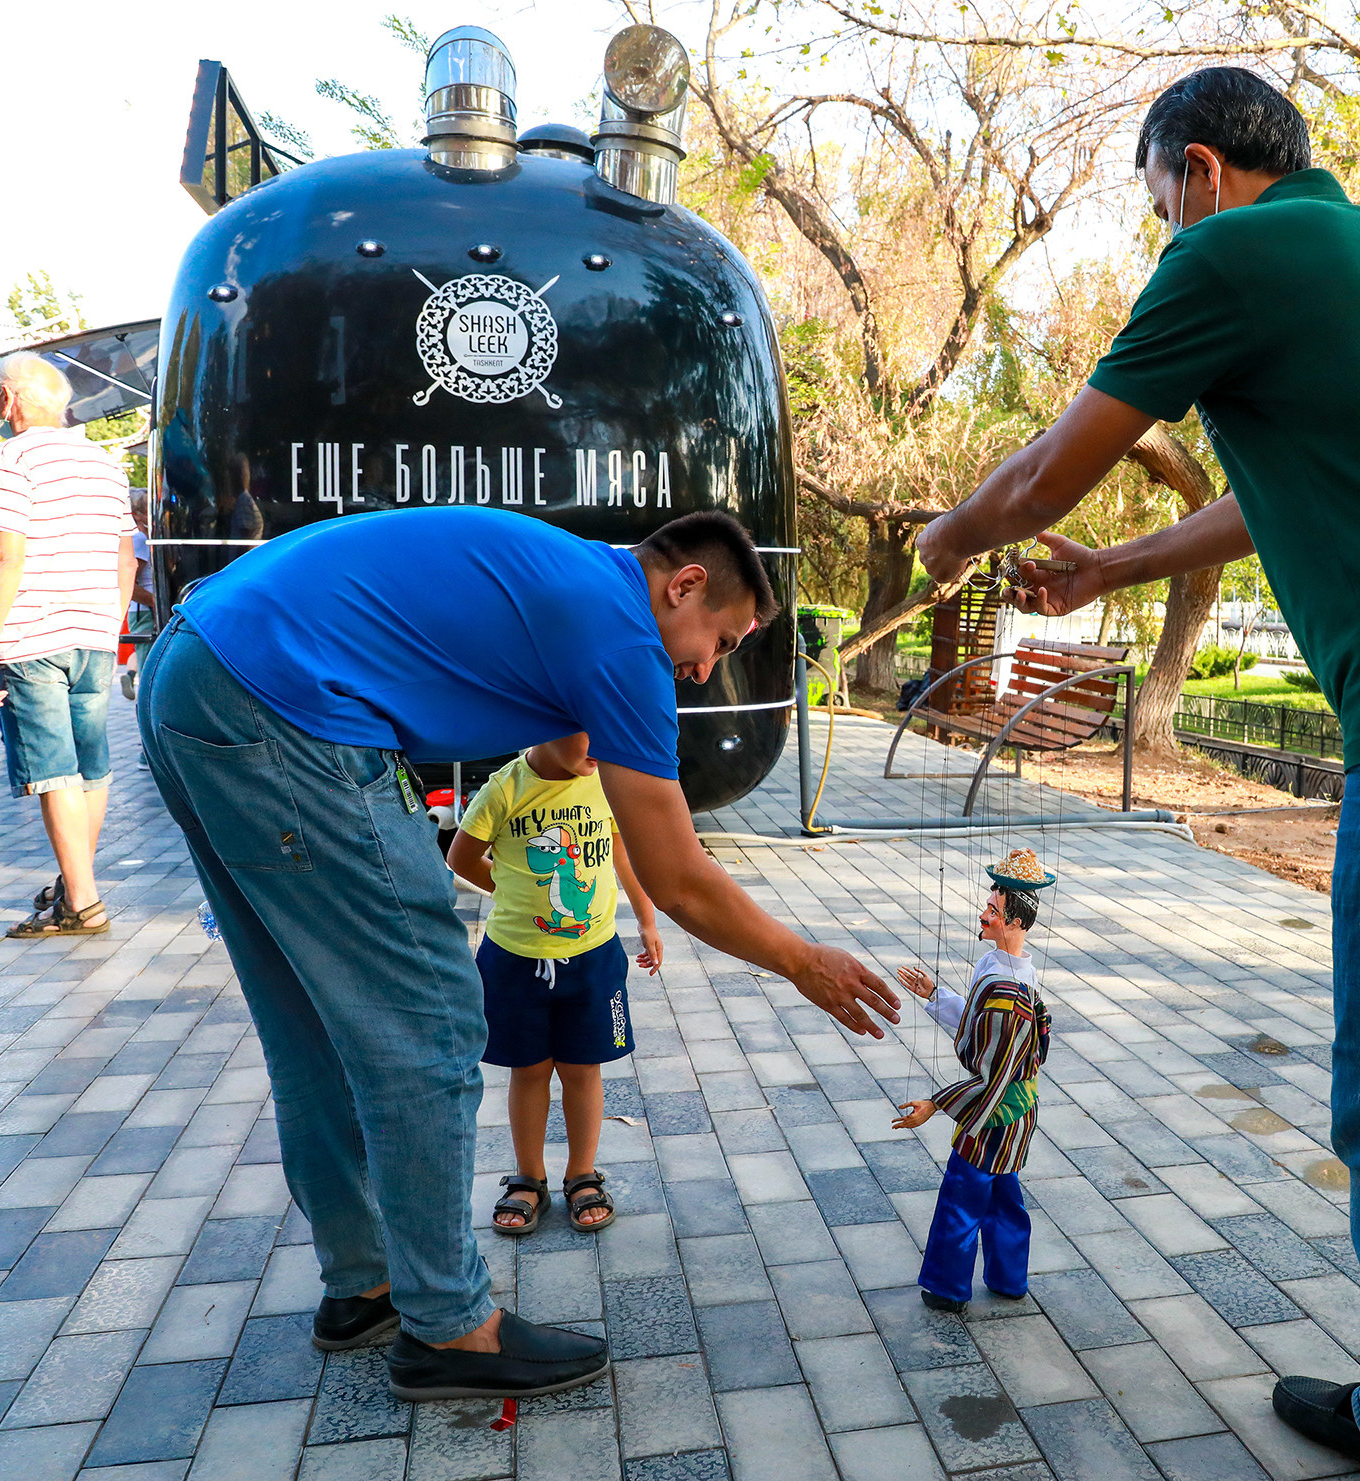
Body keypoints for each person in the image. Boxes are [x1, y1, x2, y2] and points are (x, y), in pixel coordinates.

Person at [914, 68, 1360, 1481]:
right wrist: (1121, 567)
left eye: (1155, 207)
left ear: (1198, 170)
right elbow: (1276, 494)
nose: (1160, 238)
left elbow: (1047, 473)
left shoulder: (1231, 255)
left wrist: (952, 540)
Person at [136, 504, 897, 1403]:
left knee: (309, 1017)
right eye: (720, 640)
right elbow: (680, 878)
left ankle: (365, 1281)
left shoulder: (575, 574)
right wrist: (803, 960)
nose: (705, 668)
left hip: (191, 668)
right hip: (282, 704)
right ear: (683, 583)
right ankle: (450, 1327)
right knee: (433, 1018)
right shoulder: (623, 634)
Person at [447, 731, 663, 1237]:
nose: (602, 743)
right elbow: (460, 858)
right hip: (516, 960)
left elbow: (621, 854)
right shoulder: (504, 789)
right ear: (542, 722)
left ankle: (581, 1175)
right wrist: (517, 891)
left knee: (583, 1069)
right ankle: (529, 1178)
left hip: (593, 957)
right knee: (529, 1071)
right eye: (587, 731)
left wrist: (647, 919)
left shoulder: (607, 780)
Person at [0, 353, 136, 939]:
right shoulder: (104, 461)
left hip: (32, 635)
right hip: (93, 634)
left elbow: (4, 556)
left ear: (12, 399)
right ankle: (73, 887)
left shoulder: (14, 456)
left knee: (52, 771)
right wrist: (109, 621)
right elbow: (125, 553)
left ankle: (82, 903)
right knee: (91, 766)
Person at [892, 850, 1053, 1315]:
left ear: (1016, 924)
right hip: (1014, 1107)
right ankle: (1008, 1278)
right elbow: (979, 1027)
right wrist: (932, 995)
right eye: (988, 906)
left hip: (997, 1111)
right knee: (1003, 1193)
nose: (984, 915)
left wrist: (937, 1103)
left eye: (994, 911)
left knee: (963, 1195)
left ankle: (946, 1287)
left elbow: (992, 1071)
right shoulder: (1006, 971)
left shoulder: (1007, 992)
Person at [120, 490, 154, 712]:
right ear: (138, 514)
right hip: (144, 612)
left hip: (142, 611)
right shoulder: (139, 540)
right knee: (148, 670)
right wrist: (156, 602)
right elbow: (131, 585)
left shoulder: (142, 539)